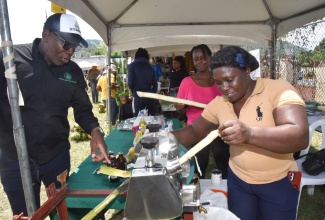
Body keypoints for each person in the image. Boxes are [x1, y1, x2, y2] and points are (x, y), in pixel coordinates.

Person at [172, 46, 309, 220]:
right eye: (219, 82)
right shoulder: (220, 103)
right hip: (240, 183)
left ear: (247, 71)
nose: (224, 88)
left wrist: (249, 134)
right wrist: (164, 138)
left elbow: (300, 136)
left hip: (279, 182)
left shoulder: (278, 89)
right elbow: (194, 130)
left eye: (230, 79)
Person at [0, 13, 110, 216]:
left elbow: (83, 109)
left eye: (75, 46)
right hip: (14, 159)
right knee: (25, 214)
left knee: (62, 212)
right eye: (66, 44)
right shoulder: (9, 59)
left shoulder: (73, 72)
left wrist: (95, 130)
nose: (71, 51)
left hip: (55, 156)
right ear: (46, 35)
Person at [174, 44, 229, 179]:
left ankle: (228, 194)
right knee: (199, 166)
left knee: (224, 163)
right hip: (197, 129)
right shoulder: (187, 82)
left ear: (210, 58)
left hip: (219, 128)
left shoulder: (219, 80)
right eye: (196, 59)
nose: (200, 62)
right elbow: (180, 111)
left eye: (203, 58)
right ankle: (200, 194)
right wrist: (180, 108)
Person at [128, 48, 157, 116]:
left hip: (138, 95)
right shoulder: (150, 67)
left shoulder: (132, 66)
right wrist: (152, 93)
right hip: (149, 96)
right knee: (151, 119)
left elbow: (130, 82)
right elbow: (155, 85)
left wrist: (134, 92)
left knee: (138, 120)